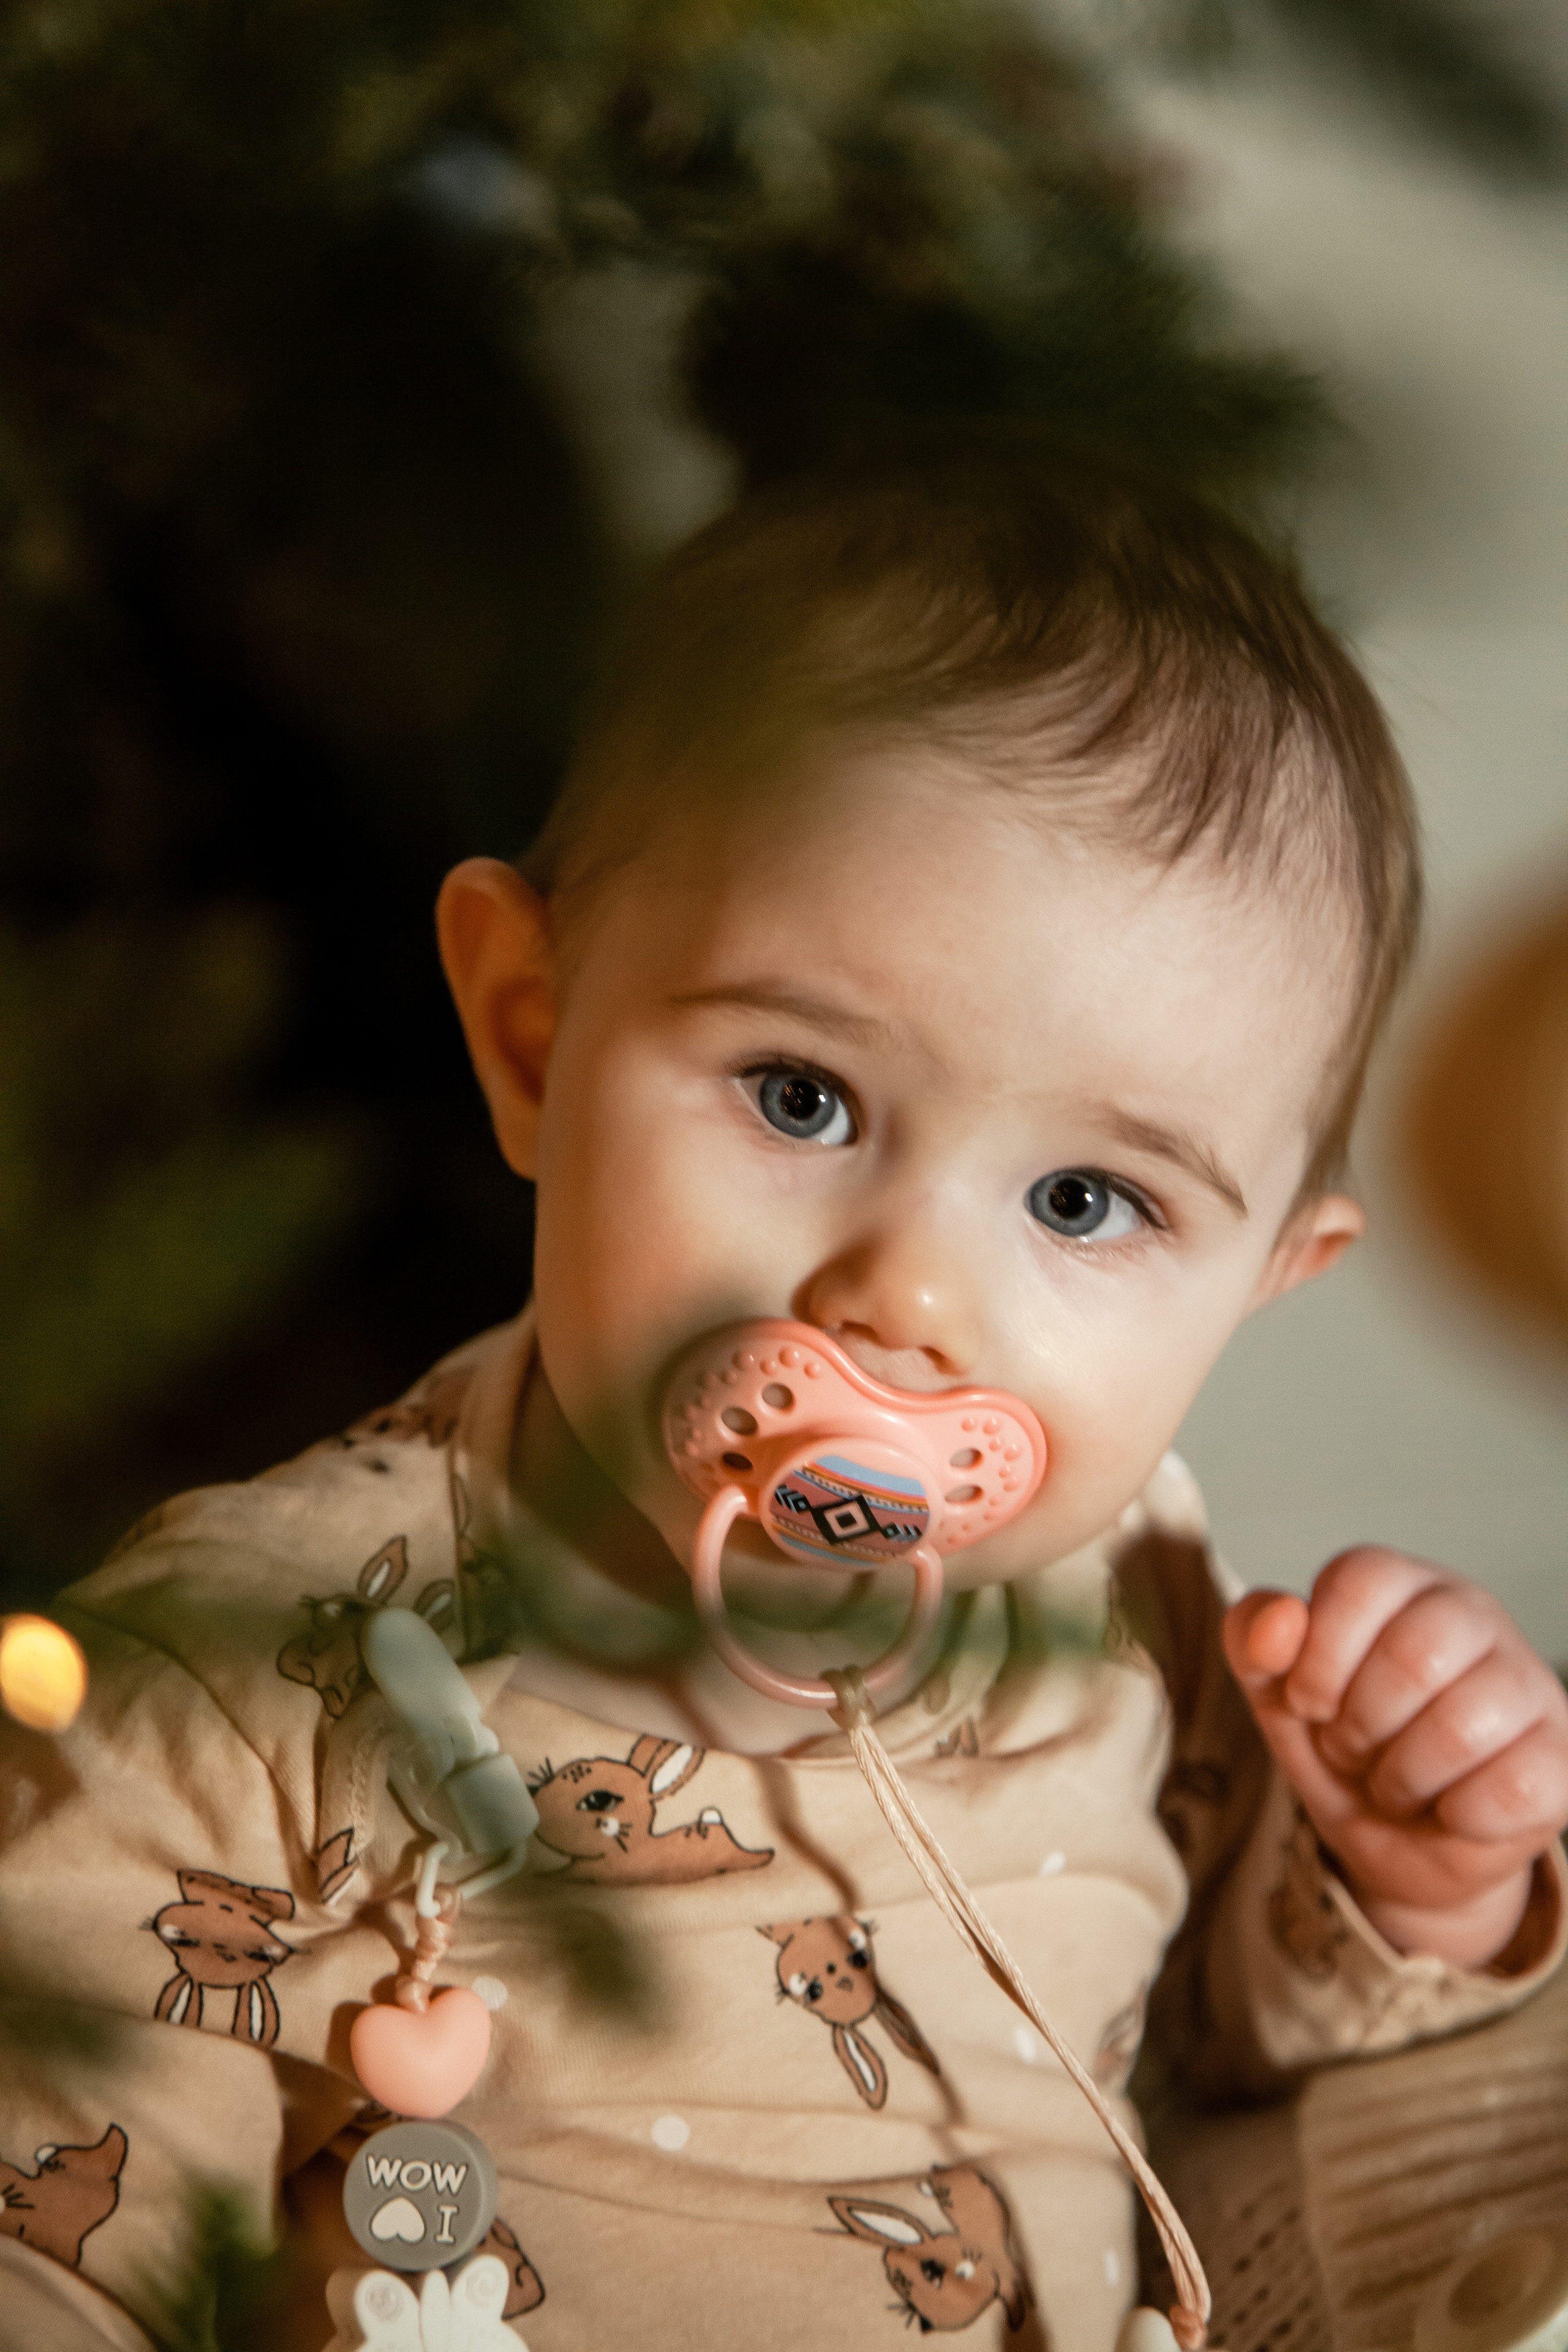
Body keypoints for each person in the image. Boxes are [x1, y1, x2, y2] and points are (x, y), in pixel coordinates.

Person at [2, 464, 1566, 2352]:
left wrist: (1410, 1880)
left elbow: (1238, 2040)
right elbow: (53, 2231)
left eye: (1086, 1202)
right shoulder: (236, 1673)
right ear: (533, 1036)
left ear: (1261, 1282)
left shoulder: (1137, 1598)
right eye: (802, 1098)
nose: (909, 1295)